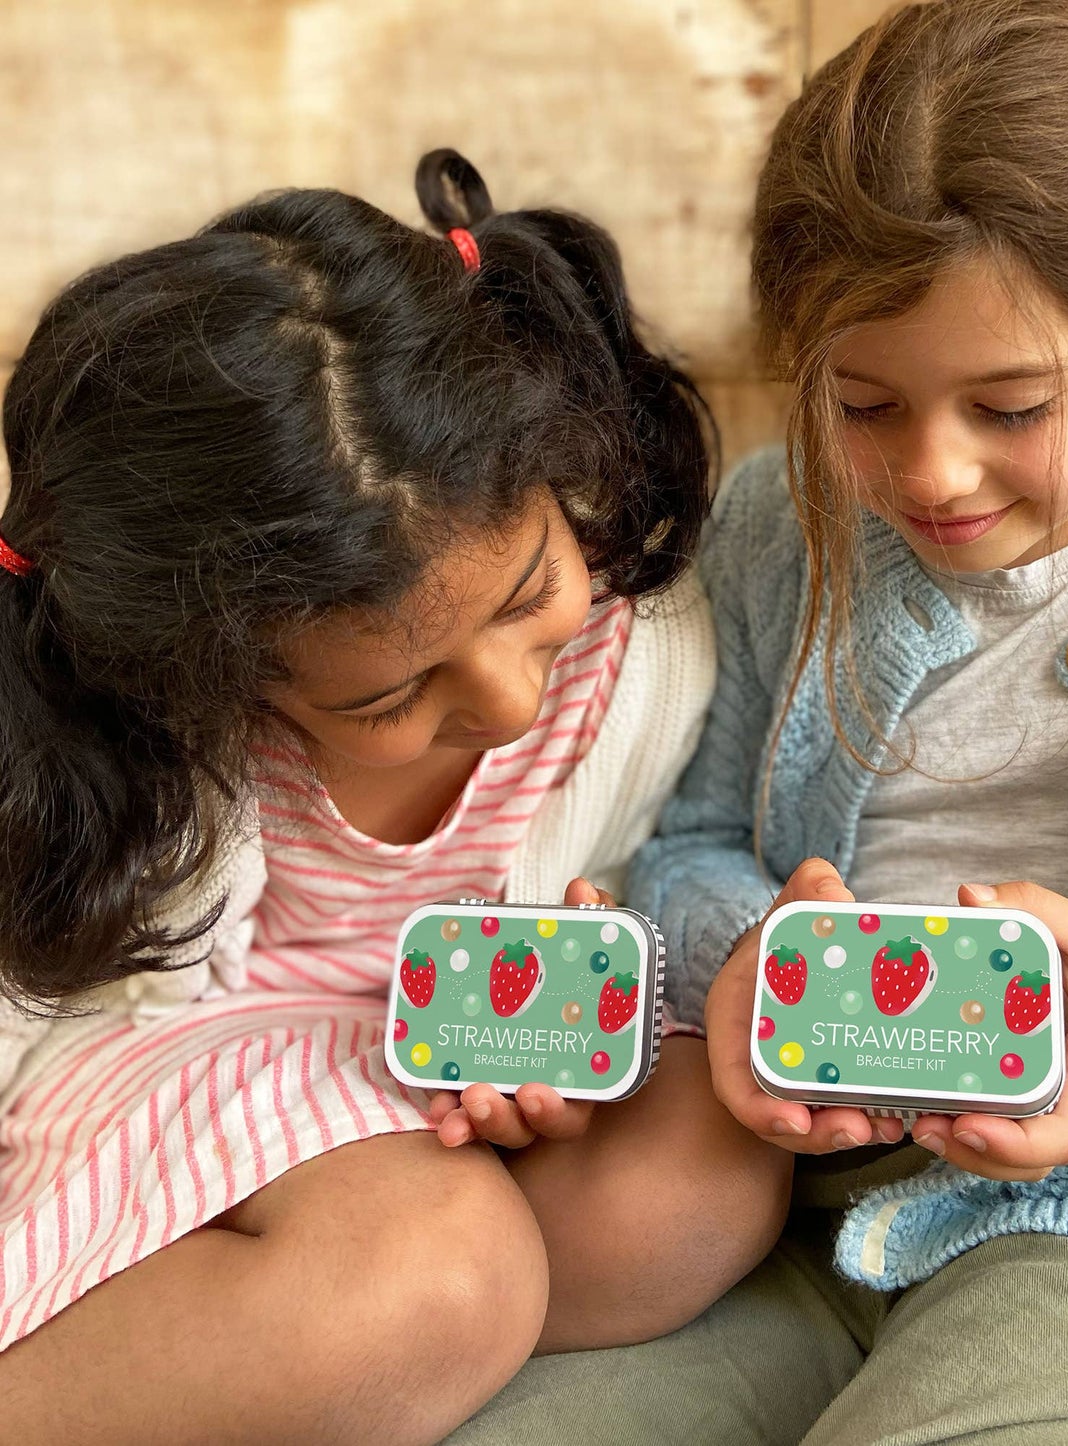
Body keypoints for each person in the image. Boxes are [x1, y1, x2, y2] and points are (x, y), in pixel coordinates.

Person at [456, 3, 1068, 1441]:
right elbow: (691, 843)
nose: (930, 469)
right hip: (787, 1205)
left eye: (1010, 404)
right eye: (861, 402)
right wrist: (741, 962)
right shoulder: (773, 533)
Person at [0, 149, 788, 1445]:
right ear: (224, 676)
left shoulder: (640, 648)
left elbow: (633, 884)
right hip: (192, 1065)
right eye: (388, 696)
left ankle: (301, 1344)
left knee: (693, 1182)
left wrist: (560, 1054)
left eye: (528, 594)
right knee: (447, 1272)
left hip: (435, 1075)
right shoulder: (146, 737)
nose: (505, 701)